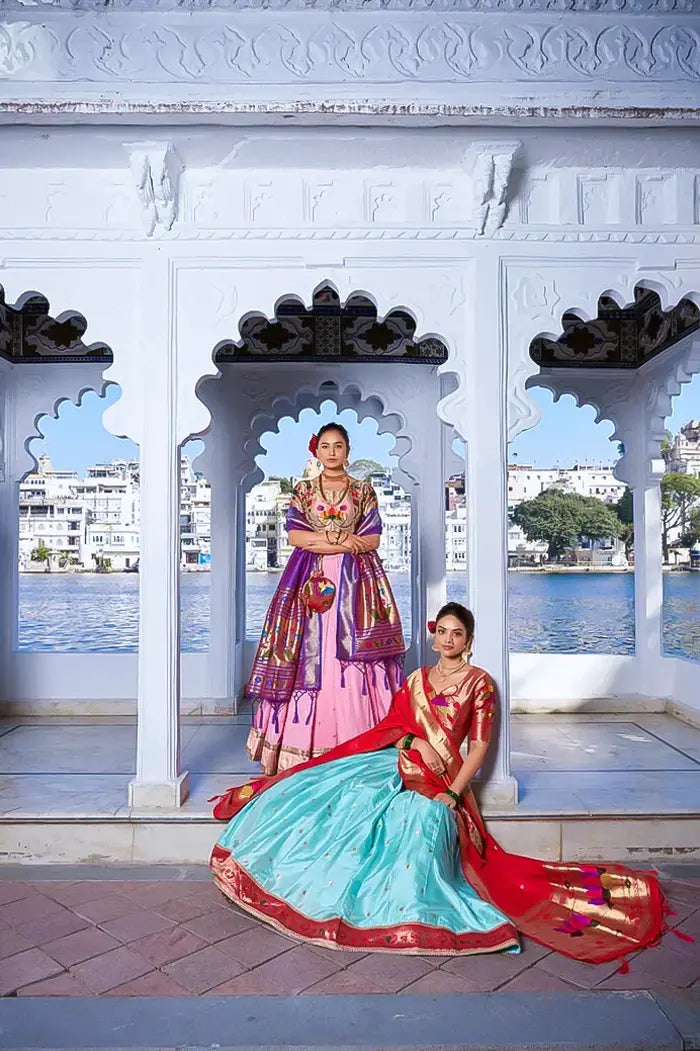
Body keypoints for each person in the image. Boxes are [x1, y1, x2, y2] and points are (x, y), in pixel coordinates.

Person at [213, 602, 668, 963]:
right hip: (400, 760)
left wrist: (452, 792)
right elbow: (392, 727)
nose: (448, 640)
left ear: (469, 640)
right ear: (434, 636)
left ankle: (403, 908)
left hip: (443, 778)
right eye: (442, 632)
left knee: (420, 822)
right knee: (335, 790)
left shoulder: (479, 684)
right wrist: (414, 740)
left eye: (457, 633)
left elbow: (480, 747)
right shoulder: (416, 680)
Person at [246, 422, 406, 776]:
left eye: (338, 445)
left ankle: (361, 740)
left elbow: (373, 540)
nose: (332, 452)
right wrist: (342, 541)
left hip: (356, 582)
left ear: (347, 450)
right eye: (325, 446)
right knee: (308, 648)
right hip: (309, 578)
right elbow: (295, 537)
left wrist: (327, 541)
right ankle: (301, 749)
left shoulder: (363, 490)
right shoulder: (303, 490)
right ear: (315, 451)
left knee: (350, 648)